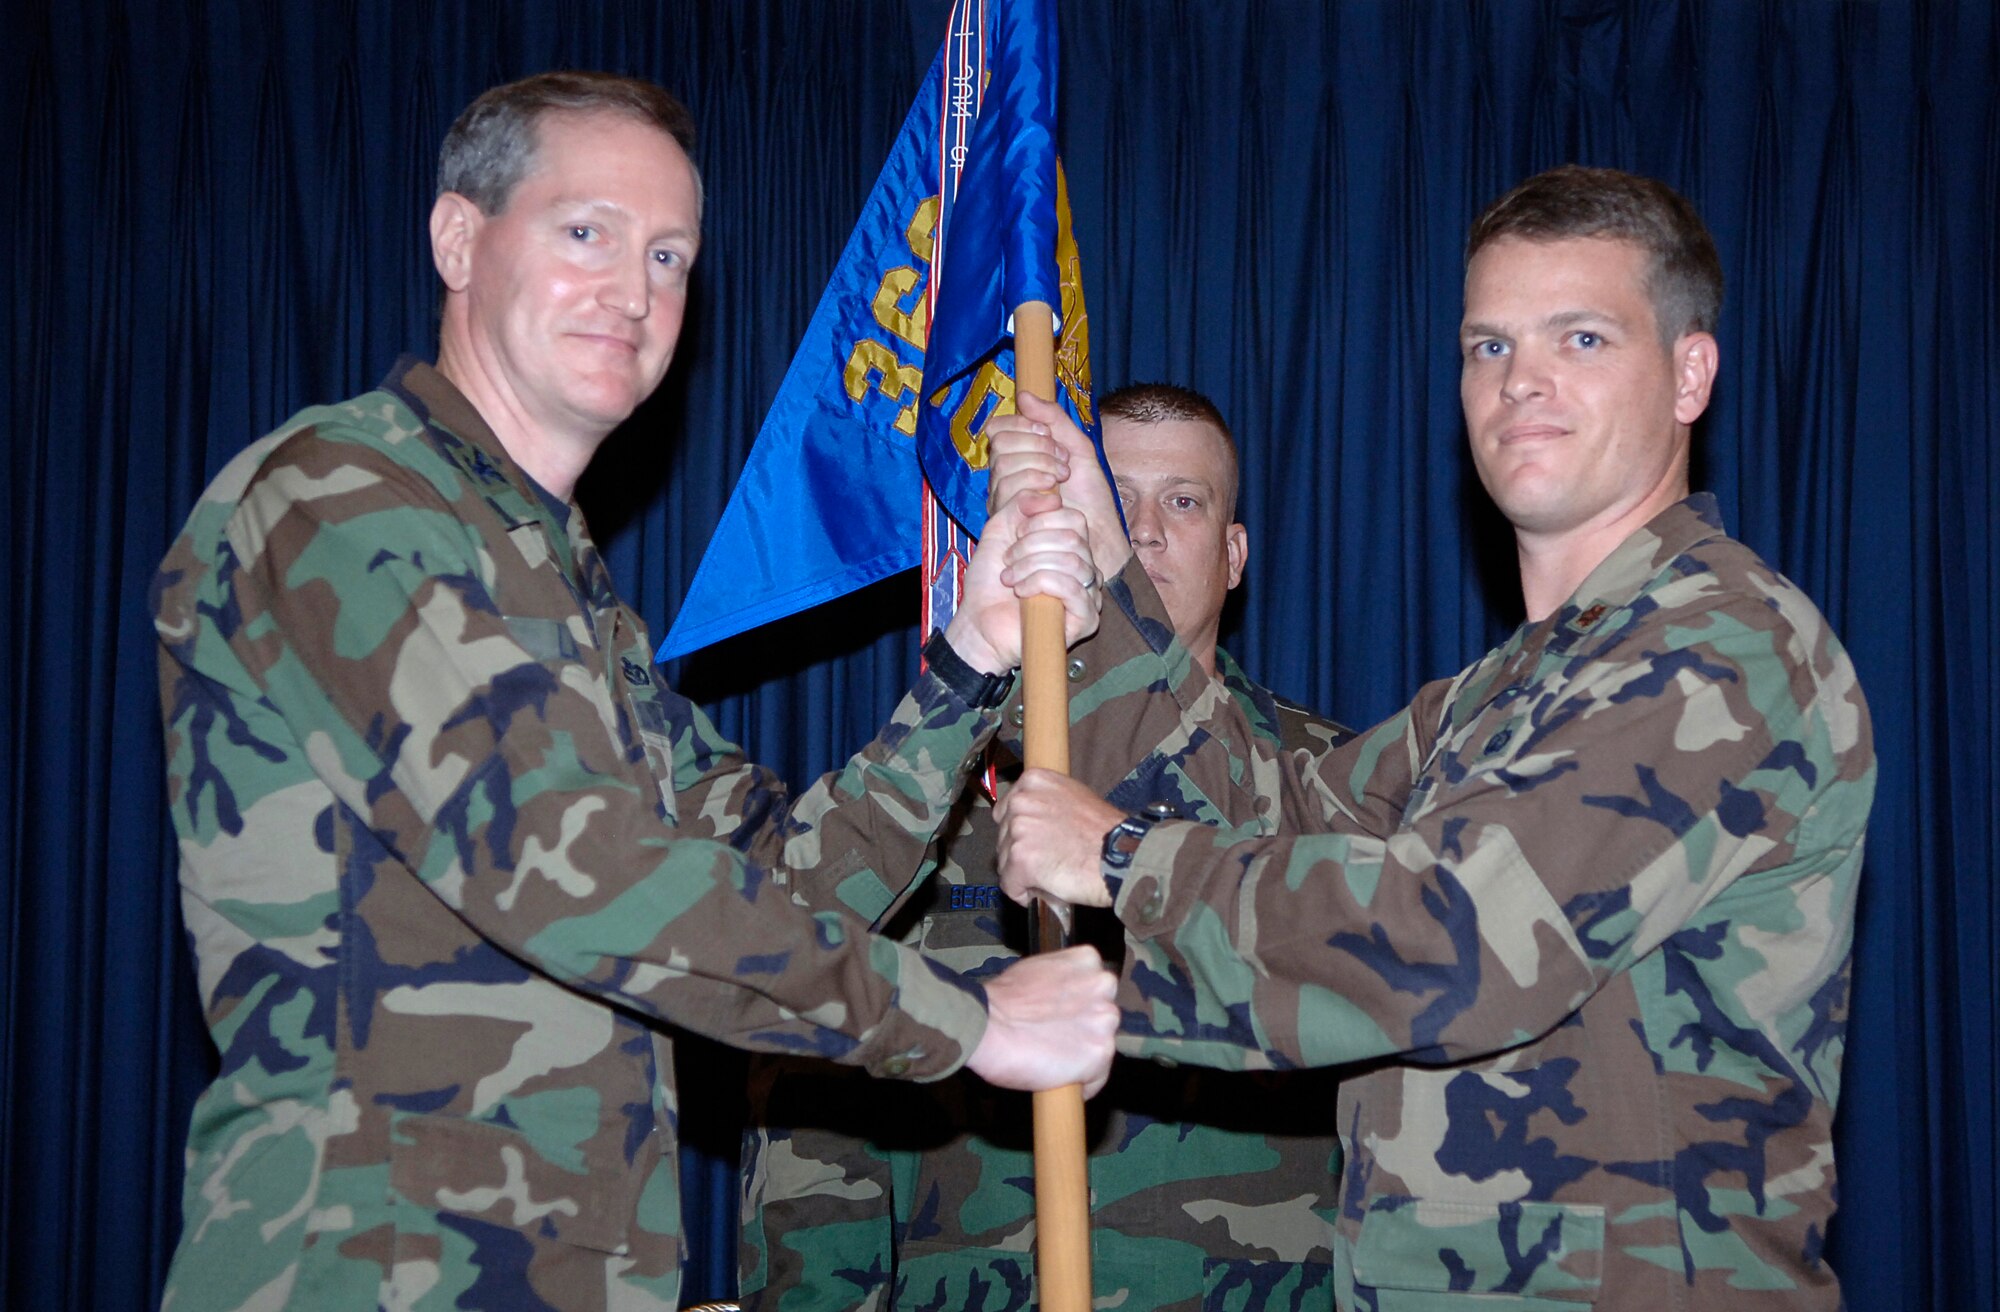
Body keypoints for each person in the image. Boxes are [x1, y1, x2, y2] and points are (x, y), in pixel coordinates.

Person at [151, 71, 1122, 1312]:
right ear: (458, 238)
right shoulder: (342, 496)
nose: (632, 290)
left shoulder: (567, 587)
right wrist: (968, 1022)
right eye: (584, 232)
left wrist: (972, 658)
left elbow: (775, 880)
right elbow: (580, 870)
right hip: (366, 1266)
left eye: (669, 255)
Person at [995, 166, 1876, 1310]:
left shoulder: (1717, 646)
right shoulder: (1501, 687)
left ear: (1688, 374)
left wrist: (1116, 859)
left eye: (1581, 338)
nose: (1522, 384)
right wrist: (1109, 564)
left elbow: (1449, 943)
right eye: (1487, 347)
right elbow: (1261, 805)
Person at [739, 385, 1354, 1311]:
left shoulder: (1332, 781)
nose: (1142, 533)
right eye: (1115, 497)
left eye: (1182, 502)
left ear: (1235, 557)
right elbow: (817, 1074)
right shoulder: (926, 785)